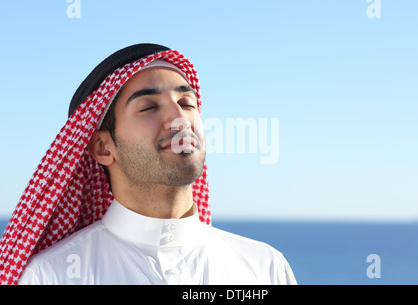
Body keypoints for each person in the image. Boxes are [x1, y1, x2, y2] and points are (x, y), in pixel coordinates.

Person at [0, 44, 297, 285]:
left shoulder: (264, 268)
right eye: (149, 107)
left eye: (187, 103)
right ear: (103, 148)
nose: (180, 119)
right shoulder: (51, 277)